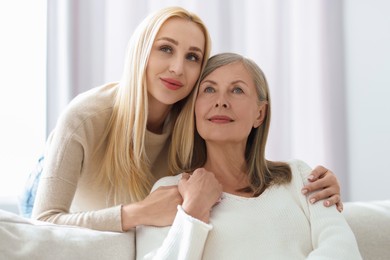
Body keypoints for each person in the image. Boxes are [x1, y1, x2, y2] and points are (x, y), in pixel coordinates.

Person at [31, 6, 341, 233]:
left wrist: (309, 181)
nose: (178, 68)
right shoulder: (85, 117)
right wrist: (137, 213)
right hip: (54, 190)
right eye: (166, 49)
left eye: (193, 57)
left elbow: (237, 165)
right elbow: (43, 222)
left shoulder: (193, 117)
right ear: (141, 52)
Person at [136, 53, 362, 259]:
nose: (221, 101)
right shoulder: (169, 192)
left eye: (237, 90)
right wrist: (192, 212)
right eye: (209, 89)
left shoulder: (301, 177)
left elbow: (344, 250)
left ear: (260, 114)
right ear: (193, 108)